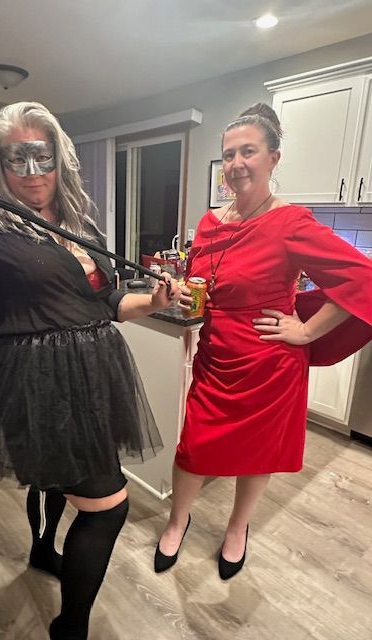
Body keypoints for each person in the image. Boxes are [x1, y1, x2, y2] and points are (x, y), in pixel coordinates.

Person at [0, 101, 179, 639]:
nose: (32, 172)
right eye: (17, 159)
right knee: (107, 508)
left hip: (94, 372)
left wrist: (151, 303)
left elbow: (103, 302)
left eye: (42, 157)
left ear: (61, 159)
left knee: (57, 475)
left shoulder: (81, 224)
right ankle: (70, 628)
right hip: (38, 380)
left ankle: (40, 549)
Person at [154, 102, 372, 581]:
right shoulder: (210, 222)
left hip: (270, 366)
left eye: (248, 151)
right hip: (216, 358)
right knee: (193, 449)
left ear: (273, 158)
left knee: (257, 455)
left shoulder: (291, 222)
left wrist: (307, 330)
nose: (236, 164)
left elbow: (364, 278)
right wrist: (186, 298)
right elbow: (205, 284)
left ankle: (238, 529)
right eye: (229, 154)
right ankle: (177, 520)